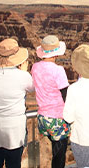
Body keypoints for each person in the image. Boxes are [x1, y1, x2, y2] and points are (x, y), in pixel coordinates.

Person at [0, 38, 34, 168]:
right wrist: (24, 72)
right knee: (13, 164)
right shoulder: (23, 76)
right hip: (13, 130)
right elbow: (33, 89)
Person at [31, 35, 70, 168]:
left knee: (55, 152)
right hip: (57, 119)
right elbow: (65, 94)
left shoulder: (35, 67)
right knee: (59, 156)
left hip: (43, 118)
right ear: (57, 54)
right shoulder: (58, 70)